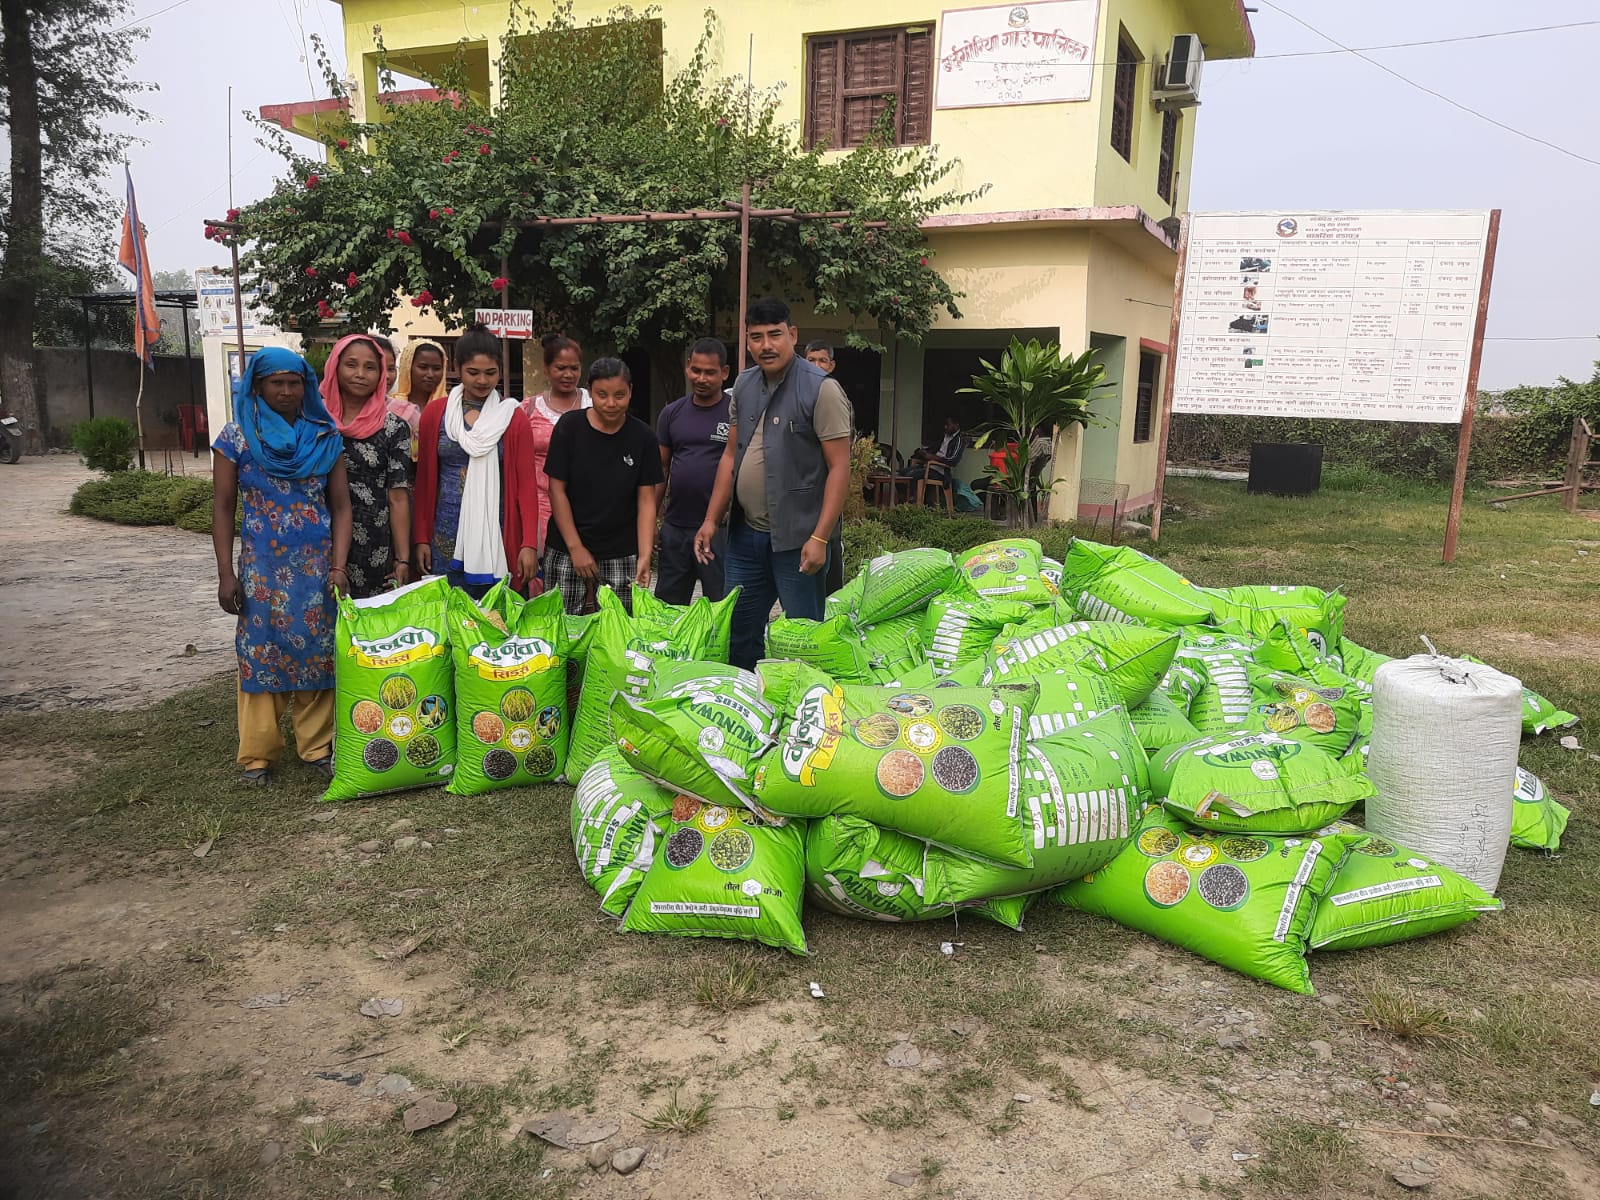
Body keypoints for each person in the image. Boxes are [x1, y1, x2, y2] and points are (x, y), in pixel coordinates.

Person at [210, 347, 352, 786]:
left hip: (316, 571)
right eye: (277, 382)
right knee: (259, 656)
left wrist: (339, 566)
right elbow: (222, 507)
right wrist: (225, 574)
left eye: (295, 382)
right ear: (257, 385)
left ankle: (317, 748)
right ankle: (257, 756)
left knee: (319, 654)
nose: (287, 391)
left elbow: (342, 507)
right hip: (261, 571)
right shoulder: (236, 438)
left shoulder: (325, 437)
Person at [695, 298, 852, 670]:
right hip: (746, 537)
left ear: (792, 335)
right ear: (747, 342)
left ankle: (801, 715)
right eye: (756, 337)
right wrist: (710, 520)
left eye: (775, 335)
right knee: (740, 633)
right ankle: (748, 710)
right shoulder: (744, 385)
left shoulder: (822, 389)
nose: (766, 345)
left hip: (798, 539)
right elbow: (731, 456)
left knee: (802, 638)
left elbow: (840, 468)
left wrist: (819, 538)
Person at [412, 326, 540, 598]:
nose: (482, 380)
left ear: (500, 370)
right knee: (446, 615)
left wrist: (528, 543)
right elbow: (423, 483)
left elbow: (527, 487)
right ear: (458, 368)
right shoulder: (437, 414)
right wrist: (421, 537)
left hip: (497, 534)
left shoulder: (512, 417)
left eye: (490, 373)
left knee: (495, 617)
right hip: (444, 532)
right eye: (473, 372)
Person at [543, 358, 662, 613]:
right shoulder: (570, 428)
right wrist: (576, 549)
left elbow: (646, 501)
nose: (610, 403)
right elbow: (556, 490)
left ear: (630, 391)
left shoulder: (643, 437)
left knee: (617, 632)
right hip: (566, 547)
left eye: (619, 395)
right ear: (589, 391)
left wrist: (644, 556)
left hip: (621, 551)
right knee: (560, 628)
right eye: (601, 395)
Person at [322, 333, 412, 599]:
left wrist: (402, 559)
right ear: (335, 367)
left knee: (366, 632)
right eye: (351, 365)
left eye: (370, 367)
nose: (360, 374)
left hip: (373, 546)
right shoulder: (315, 422)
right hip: (318, 540)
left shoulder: (394, 427)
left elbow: (398, 495)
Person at [655, 337, 731, 604]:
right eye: (696, 370)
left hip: (720, 531)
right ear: (688, 368)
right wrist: (653, 522)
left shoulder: (735, 415)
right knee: (668, 607)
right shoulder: (671, 413)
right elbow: (661, 471)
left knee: (719, 607)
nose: (701, 378)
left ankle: (718, 649)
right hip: (676, 528)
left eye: (710, 372)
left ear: (724, 372)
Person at [523, 333, 589, 560]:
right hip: (539, 508)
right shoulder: (528, 409)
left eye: (575, 368)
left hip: (586, 509)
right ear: (546, 368)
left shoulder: (594, 405)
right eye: (561, 368)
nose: (568, 375)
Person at [801, 338, 849, 594]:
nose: (817, 366)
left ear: (831, 365)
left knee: (828, 552)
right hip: (796, 498)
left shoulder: (834, 397)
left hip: (825, 492)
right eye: (811, 360)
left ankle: (831, 610)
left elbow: (840, 460)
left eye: (822, 361)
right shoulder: (795, 396)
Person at [389, 338, 447, 462]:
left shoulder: (450, 408)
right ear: (407, 367)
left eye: (437, 368)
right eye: (423, 367)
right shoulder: (391, 407)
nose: (430, 374)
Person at [907, 414, 966, 486]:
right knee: (899, 473)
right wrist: (922, 452)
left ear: (956, 425)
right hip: (928, 467)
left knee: (910, 475)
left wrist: (932, 457)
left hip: (941, 472)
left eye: (948, 425)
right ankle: (901, 496)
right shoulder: (944, 437)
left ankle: (911, 496)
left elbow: (953, 461)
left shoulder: (959, 440)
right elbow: (931, 449)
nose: (945, 427)